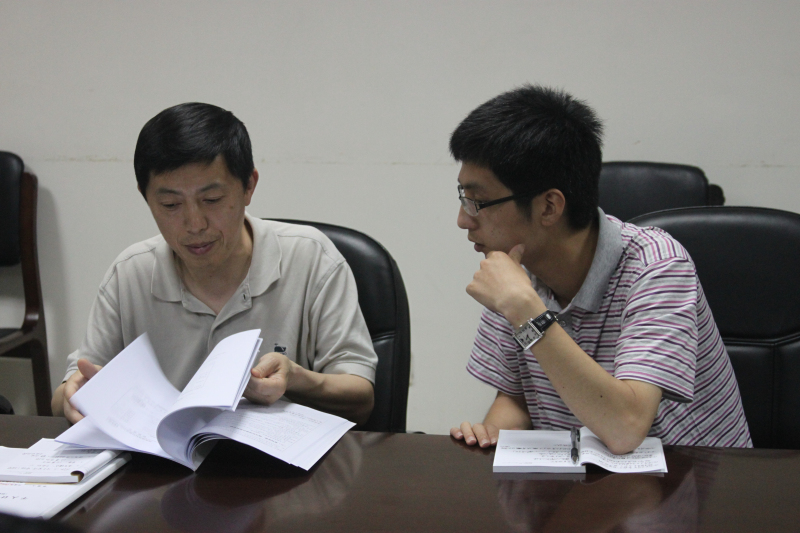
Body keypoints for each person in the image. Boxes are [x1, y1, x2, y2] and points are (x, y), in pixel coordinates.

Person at [448, 85, 751, 453]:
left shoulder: (657, 267)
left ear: (549, 207)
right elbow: (516, 398)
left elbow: (626, 428)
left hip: (690, 478)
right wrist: (492, 435)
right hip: (582, 479)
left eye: (478, 201)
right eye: (463, 197)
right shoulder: (515, 271)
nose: (463, 220)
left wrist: (525, 310)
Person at [52, 103, 377, 425]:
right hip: (163, 455)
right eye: (170, 204)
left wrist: (295, 378)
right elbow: (68, 392)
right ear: (146, 197)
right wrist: (72, 395)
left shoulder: (312, 259)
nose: (195, 224)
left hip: (277, 456)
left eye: (212, 200)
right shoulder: (130, 274)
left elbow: (361, 397)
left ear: (249, 186)